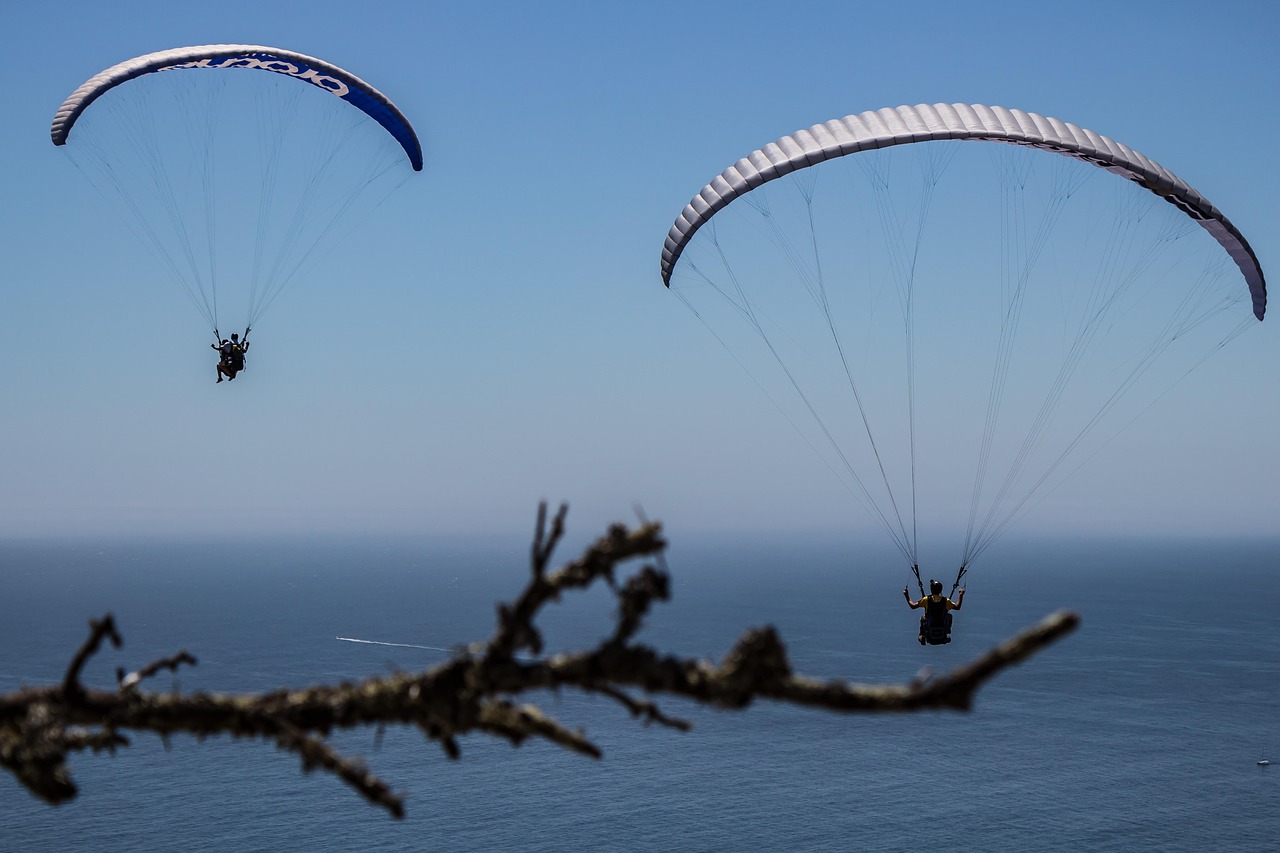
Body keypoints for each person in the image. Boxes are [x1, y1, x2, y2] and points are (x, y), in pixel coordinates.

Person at [904, 579, 965, 646]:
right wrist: (961, 595)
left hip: (930, 634)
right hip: (942, 635)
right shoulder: (946, 601)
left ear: (931, 590)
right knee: (949, 615)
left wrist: (906, 595)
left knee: (923, 617)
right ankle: (947, 632)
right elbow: (957, 607)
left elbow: (913, 606)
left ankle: (922, 635)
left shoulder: (926, 600)